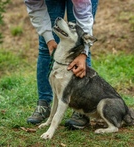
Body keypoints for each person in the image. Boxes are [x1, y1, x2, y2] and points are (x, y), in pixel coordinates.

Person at [24, 0, 99, 129]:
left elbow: (84, 16)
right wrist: (49, 39)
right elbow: (35, 6)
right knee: (45, 47)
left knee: (79, 43)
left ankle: (81, 109)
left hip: (82, 3)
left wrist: (83, 53)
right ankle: (44, 103)